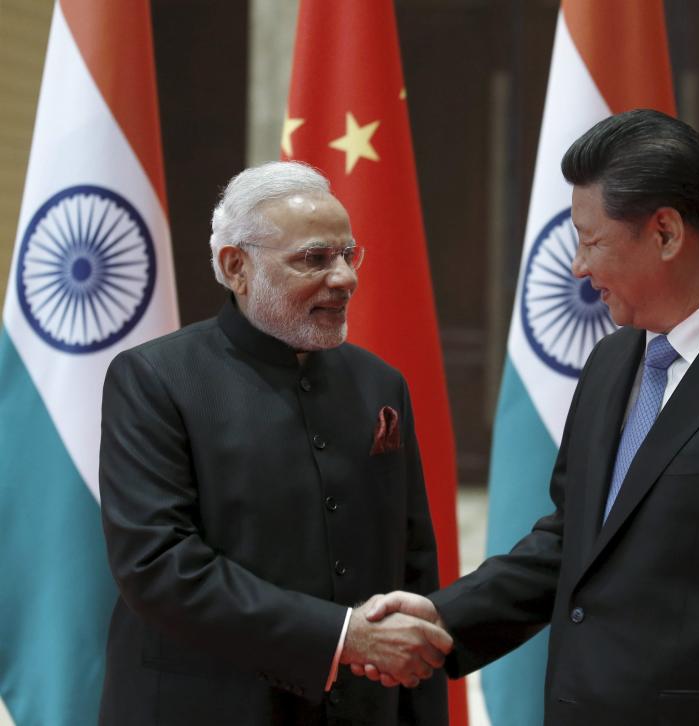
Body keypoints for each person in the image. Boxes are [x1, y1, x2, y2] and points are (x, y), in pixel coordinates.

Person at [361, 109, 699, 725]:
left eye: (591, 240)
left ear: (665, 233)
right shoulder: (613, 359)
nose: (579, 268)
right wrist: (445, 617)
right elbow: (573, 542)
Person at [97, 161, 451, 726]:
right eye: (315, 258)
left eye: (347, 254)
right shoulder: (155, 379)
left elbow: (412, 561)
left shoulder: (380, 383)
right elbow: (158, 564)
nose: (344, 278)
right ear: (235, 267)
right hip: (206, 706)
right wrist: (339, 637)